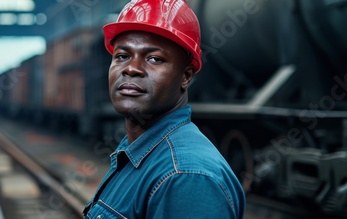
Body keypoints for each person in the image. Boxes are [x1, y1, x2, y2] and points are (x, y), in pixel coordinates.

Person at [82, 0, 246, 218]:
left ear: (185, 76)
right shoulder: (138, 151)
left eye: (154, 59)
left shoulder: (186, 178)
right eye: (122, 56)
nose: (131, 68)